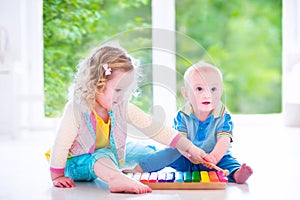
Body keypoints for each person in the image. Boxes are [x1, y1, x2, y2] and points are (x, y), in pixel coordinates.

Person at [45, 43, 208, 194]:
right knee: (101, 157)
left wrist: (189, 147)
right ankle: (116, 178)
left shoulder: (120, 105)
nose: (122, 96)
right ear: (97, 83)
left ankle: (183, 163)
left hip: (110, 153)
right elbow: (61, 144)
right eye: (117, 90)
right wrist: (57, 175)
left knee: (146, 151)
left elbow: (153, 127)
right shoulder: (77, 108)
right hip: (78, 162)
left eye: (125, 90)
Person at [127, 61, 253, 184]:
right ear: (186, 93)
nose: (207, 95)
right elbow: (180, 140)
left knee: (229, 162)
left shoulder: (223, 115)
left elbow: (224, 140)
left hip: (216, 159)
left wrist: (214, 158)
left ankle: (237, 174)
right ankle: (139, 169)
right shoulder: (182, 115)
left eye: (213, 89)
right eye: (199, 89)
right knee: (168, 153)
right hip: (187, 157)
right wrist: (189, 154)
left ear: (221, 91)